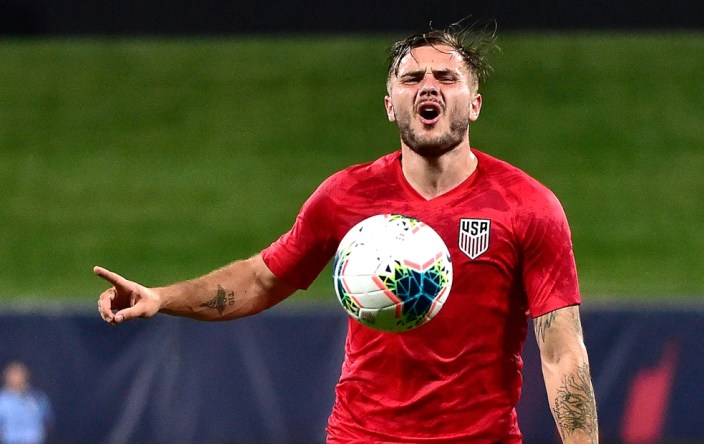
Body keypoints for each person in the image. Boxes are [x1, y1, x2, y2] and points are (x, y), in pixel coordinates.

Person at [96, 23, 599, 443]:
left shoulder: (528, 206)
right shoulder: (345, 197)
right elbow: (261, 279)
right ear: (389, 104)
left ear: (474, 104)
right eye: (412, 77)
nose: (429, 86)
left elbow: (562, 354)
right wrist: (161, 297)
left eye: (446, 77)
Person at [0, 362, 53, 444]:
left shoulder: (38, 397)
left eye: (20, 374)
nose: (17, 378)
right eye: (13, 375)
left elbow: (47, 420)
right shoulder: (2, 400)